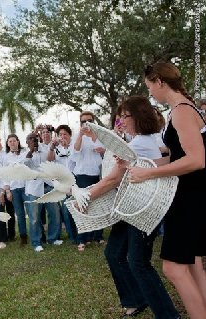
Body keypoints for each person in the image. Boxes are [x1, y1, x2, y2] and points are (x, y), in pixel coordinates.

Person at [85, 96, 179, 319]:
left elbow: (112, 180)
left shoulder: (138, 144)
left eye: (126, 116)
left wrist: (84, 198)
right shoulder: (149, 139)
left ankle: (168, 315)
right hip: (131, 207)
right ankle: (136, 300)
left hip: (142, 210)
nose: (122, 120)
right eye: (121, 116)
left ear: (139, 116)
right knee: (114, 253)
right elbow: (168, 156)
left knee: (139, 263)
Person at [128, 62, 206, 318]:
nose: (150, 93)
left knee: (173, 269)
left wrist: (148, 173)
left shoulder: (182, 111)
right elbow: (177, 156)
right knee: (192, 265)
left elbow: (196, 160)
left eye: (150, 86)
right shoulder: (181, 109)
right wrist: (142, 165)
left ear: (159, 81)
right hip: (189, 196)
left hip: (189, 199)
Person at [70, 111, 105, 251]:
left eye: (89, 120)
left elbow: (106, 152)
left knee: (97, 206)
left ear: (93, 121)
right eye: (83, 121)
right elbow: (75, 151)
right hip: (82, 176)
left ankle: (98, 236)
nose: (86, 123)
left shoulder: (100, 135)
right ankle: (82, 239)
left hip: (97, 175)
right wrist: (81, 134)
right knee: (82, 207)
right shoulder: (77, 136)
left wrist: (102, 150)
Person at [47, 124, 77, 244]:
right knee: (66, 209)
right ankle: (72, 235)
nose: (63, 136)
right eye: (60, 134)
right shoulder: (56, 148)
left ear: (70, 135)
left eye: (65, 134)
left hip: (75, 180)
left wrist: (67, 148)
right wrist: (52, 148)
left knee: (76, 207)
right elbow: (49, 160)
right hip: (63, 183)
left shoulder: (75, 146)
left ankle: (82, 233)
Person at [4, 134, 29, 246]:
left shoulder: (25, 152)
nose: (12, 143)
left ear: (18, 142)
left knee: (32, 212)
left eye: (14, 141)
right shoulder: (6, 157)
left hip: (27, 186)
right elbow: (5, 175)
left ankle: (38, 235)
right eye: (10, 141)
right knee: (19, 214)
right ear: (8, 144)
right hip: (14, 188)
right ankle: (23, 236)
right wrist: (8, 191)